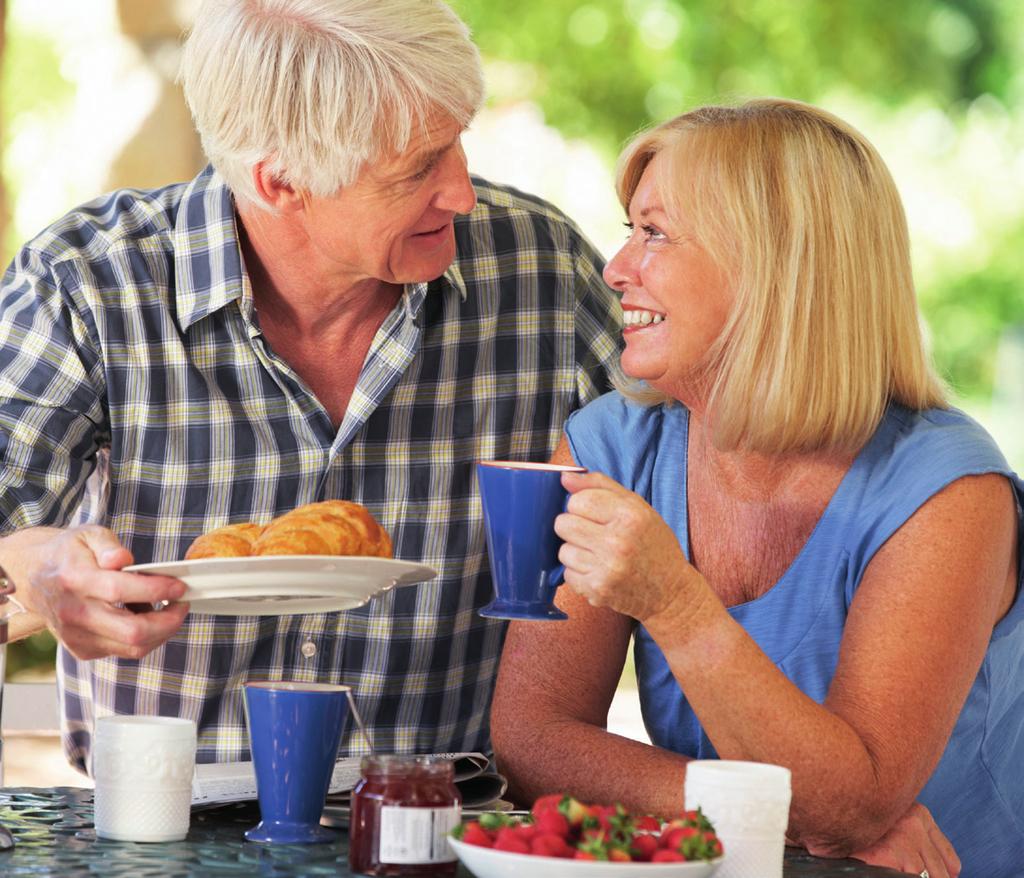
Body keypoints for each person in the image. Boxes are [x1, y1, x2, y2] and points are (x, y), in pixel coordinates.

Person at [0, 0, 622, 773]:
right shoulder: (87, 283)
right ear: (280, 182)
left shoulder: (544, 272)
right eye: (417, 167)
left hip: (443, 823)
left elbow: (685, 489)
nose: (462, 191)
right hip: (162, 824)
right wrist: (33, 567)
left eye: (457, 141)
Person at [491, 99, 1023, 878]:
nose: (616, 268)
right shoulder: (613, 443)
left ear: (774, 266)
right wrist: (764, 808)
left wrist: (675, 604)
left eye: (656, 233)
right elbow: (534, 736)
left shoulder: (947, 492)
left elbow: (851, 806)